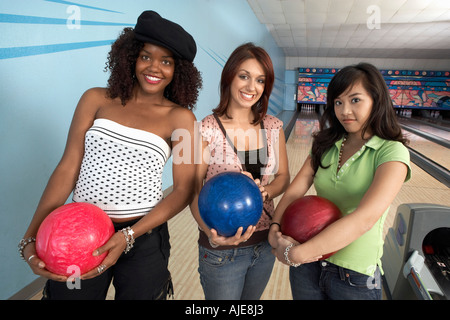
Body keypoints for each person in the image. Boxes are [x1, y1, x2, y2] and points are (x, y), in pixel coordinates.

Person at [18, 10, 202, 300]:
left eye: (166, 61)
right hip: (77, 234)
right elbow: (67, 168)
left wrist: (129, 235)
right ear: (130, 57)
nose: (154, 67)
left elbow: (183, 189)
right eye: (146, 56)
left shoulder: (184, 120)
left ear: (177, 70)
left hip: (143, 238)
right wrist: (31, 235)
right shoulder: (95, 99)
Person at [270, 62, 411, 300]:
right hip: (308, 267)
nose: (345, 110)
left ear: (376, 100)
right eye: (338, 102)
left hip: (354, 275)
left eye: (355, 100)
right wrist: (275, 228)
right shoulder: (325, 144)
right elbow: (295, 191)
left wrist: (297, 255)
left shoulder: (391, 152)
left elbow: (364, 218)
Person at [190, 43, 290, 300]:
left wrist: (264, 191)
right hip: (222, 248)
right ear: (229, 77)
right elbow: (194, 190)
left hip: (264, 243)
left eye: (260, 80)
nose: (251, 87)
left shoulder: (272, 126)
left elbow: (283, 178)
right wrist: (212, 238)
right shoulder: (207, 128)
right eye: (244, 76)